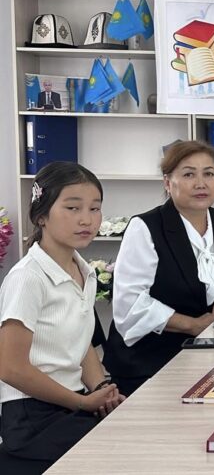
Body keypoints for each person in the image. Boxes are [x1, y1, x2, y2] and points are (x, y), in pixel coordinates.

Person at [103, 141, 214, 396]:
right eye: (188, 175)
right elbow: (129, 304)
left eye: (209, 174)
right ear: (167, 182)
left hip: (213, 352)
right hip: (150, 361)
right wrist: (193, 325)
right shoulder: (145, 227)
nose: (201, 183)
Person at [0, 162, 125, 470]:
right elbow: (10, 367)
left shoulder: (84, 272)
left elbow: (80, 343)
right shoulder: (28, 277)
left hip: (70, 403)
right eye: (72, 208)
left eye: (95, 208)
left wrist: (102, 390)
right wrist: (82, 402)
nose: (86, 219)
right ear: (41, 215)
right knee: (121, 453)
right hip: (31, 415)